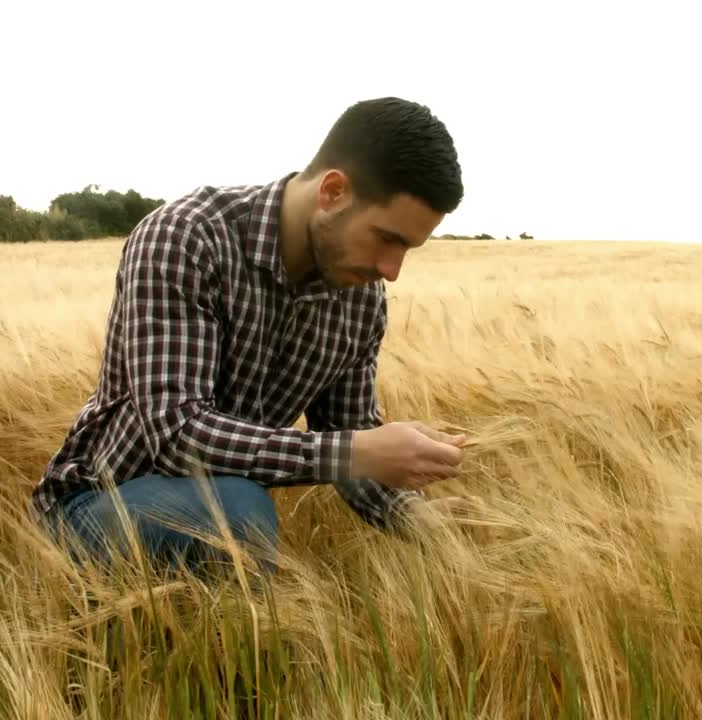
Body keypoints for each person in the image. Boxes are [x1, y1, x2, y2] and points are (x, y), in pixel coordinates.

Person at [32, 97, 473, 577]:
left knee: (235, 509)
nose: (392, 271)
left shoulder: (360, 297)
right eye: (387, 238)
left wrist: (413, 515)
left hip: (221, 511)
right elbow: (178, 436)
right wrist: (357, 453)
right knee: (238, 509)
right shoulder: (187, 238)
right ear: (333, 191)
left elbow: (351, 433)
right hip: (95, 506)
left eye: (408, 248)